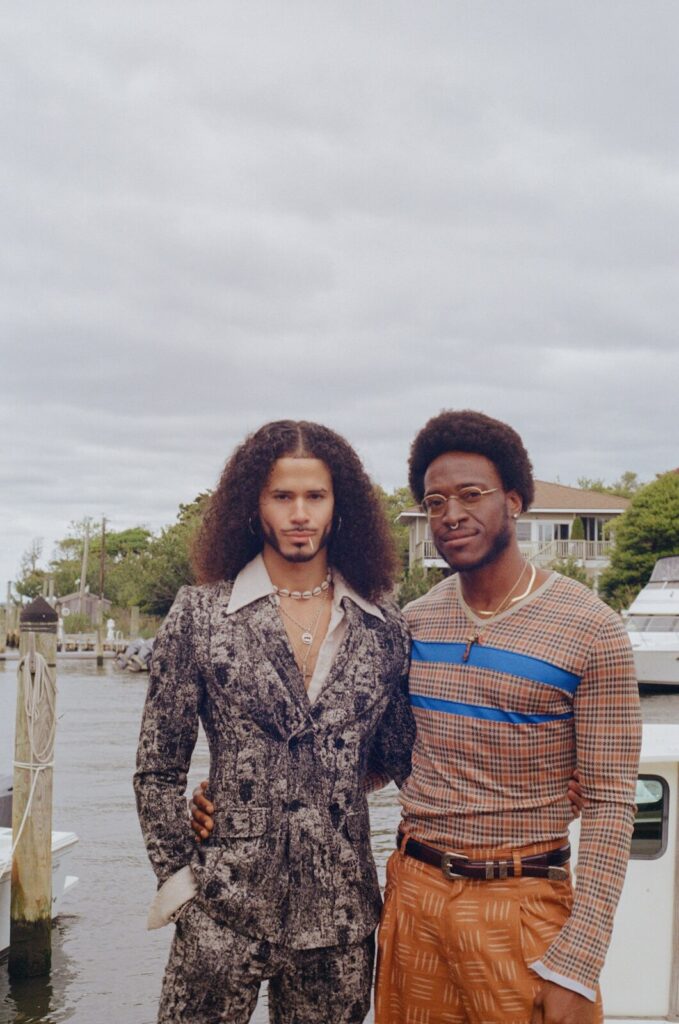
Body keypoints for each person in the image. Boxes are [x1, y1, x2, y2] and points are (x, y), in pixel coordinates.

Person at [134, 420, 414, 1024]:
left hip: (341, 921)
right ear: (253, 505)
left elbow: (398, 757)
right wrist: (181, 883)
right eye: (282, 496)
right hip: (220, 912)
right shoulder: (200, 614)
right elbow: (158, 768)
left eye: (315, 496)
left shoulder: (384, 624)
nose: (299, 514)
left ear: (339, 506)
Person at [374, 410, 641, 1024]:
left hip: (523, 902)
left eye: (472, 495)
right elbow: (381, 763)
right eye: (435, 501)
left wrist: (579, 959)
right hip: (414, 896)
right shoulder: (413, 622)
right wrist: (239, 792)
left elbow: (607, 803)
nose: (452, 514)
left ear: (515, 501)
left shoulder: (590, 627)